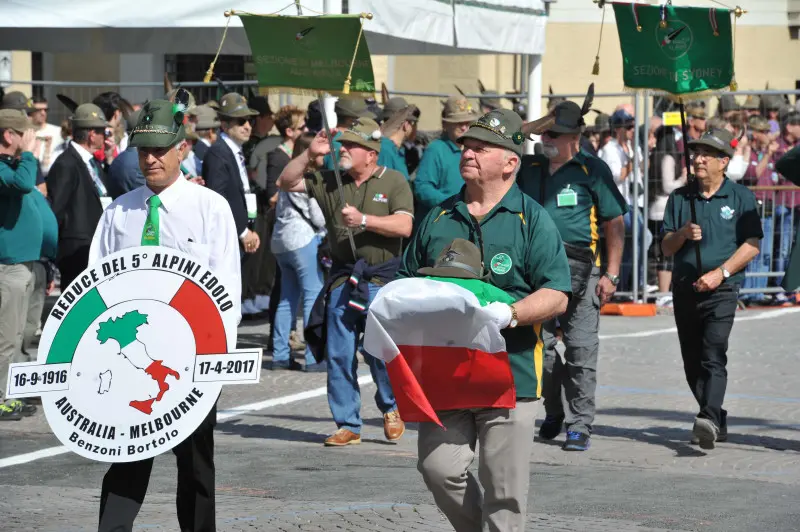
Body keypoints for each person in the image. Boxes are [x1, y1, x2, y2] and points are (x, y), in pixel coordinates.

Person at [398, 108, 572, 530]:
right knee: (438, 468)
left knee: (504, 489)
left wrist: (511, 313)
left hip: (510, 372)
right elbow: (405, 281)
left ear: (510, 162)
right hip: (447, 371)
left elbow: (557, 294)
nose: (469, 153)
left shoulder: (533, 219)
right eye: (466, 146)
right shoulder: (438, 217)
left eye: (481, 147)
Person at [91, 95, 241, 532]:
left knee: (195, 464)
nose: (150, 159)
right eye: (143, 151)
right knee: (126, 457)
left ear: (183, 150)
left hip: (191, 358)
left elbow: (226, 288)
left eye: (160, 150)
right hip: (130, 358)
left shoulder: (209, 208)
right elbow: (96, 288)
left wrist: (215, 361)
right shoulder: (118, 213)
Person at [277, 118, 412, 447]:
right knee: (339, 353)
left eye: (351, 145)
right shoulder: (331, 180)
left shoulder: (394, 181)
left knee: (380, 352)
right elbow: (286, 180)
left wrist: (366, 221)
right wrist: (310, 152)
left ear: (371, 153)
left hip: (380, 279)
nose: (343, 150)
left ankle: (391, 407)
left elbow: (404, 226)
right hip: (342, 276)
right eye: (343, 144)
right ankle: (347, 423)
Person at [518, 87, 628, 451]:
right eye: (544, 133)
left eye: (553, 134)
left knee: (581, 352)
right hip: (535, 275)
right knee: (542, 350)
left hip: (583, 272)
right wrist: (534, 124)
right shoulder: (528, 167)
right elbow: (508, 137)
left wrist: (611, 273)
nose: (545, 139)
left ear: (574, 138)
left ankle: (580, 424)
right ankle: (554, 410)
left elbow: (613, 222)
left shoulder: (592, 170)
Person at [661, 127, 762, 449]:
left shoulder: (741, 197)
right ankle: (717, 414)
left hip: (722, 289)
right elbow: (665, 247)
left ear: (724, 161)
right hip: (685, 288)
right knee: (692, 360)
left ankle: (706, 417)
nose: (698, 159)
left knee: (713, 354)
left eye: (707, 154)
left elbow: (752, 245)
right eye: (696, 153)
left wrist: (721, 273)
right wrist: (682, 235)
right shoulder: (680, 197)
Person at [269, 110, 325, 372]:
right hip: (302, 240)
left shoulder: (287, 175)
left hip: (280, 241)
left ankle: (280, 354)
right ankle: (314, 358)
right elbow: (317, 216)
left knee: (286, 298)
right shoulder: (308, 179)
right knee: (312, 296)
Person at [0, 109, 42, 420]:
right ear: (8, 136)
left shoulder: (12, 166)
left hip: (23, 263)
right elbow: (25, 184)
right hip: (8, 267)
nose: (29, 139)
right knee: (5, 337)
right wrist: (28, 154)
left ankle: (9, 394)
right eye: (23, 134)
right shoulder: (5, 169)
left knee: (17, 336)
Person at [203, 93, 261, 314]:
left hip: (239, 231)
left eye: (249, 121)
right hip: (229, 235)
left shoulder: (233, 151)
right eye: (240, 121)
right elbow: (219, 198)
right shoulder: (218, 153)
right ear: (225, 124)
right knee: (226, 292)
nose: (247, 126)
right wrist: (242, 231)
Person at [47, 103, 111, 289]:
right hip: (75, 250)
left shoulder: (93, 162)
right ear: (92, 134)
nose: (105, 137)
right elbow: (56, 209)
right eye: (103, 132)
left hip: (93, 243)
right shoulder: (66, 164)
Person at [413, 96, 481, 222]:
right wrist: (453, 203)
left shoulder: (472, 150)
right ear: (445, 125)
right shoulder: (436, 150)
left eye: (467, 123)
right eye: (458, 123)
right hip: (440, 221)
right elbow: (422, 188)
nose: (464, 127)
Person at [648, 125, 687, 304]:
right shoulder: (668, 158)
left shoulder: (655, 156)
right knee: (666, 251)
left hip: (655, 209)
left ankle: (660, 291)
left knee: (659, 250)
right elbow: (668, 186)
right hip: (662, 210)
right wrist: (683, 179)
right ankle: (663, 294)